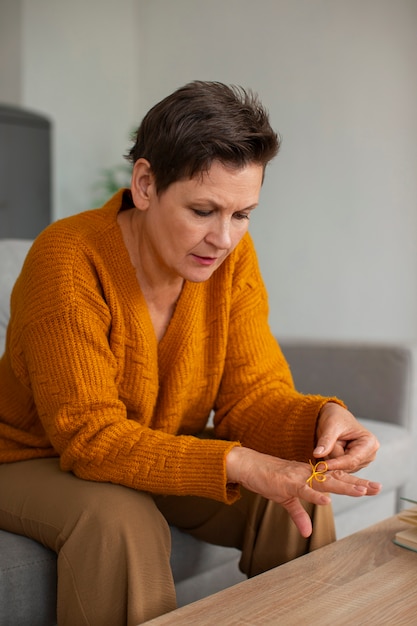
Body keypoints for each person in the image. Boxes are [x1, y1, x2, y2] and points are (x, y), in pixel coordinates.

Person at [0, 81, 381, 625]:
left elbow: (251, 395)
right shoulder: (66, 260)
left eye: (242, 214)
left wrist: (321, 421)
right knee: (120, 521)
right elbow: (89, 438)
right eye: (203, 210)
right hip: (28, 455)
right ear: (146, 183)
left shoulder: (230, 260)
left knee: (300, 489)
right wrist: (239, 462)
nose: (223, 239)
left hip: (149, 441)